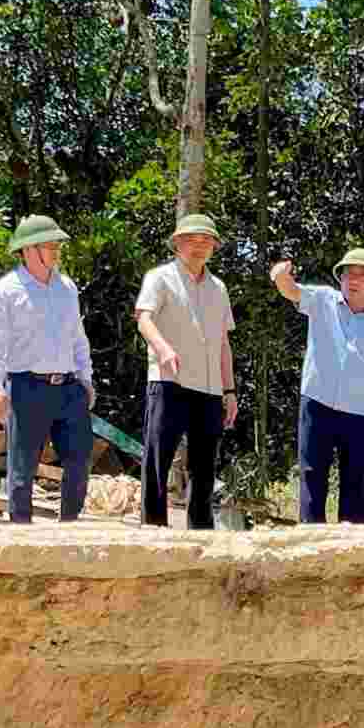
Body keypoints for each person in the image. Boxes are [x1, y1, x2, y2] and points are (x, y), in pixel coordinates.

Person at [273, 249, 364, 525]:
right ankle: (310, 542)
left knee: (355, 481)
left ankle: (353, 547)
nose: (353, 280)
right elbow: (292, 291)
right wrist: (280, 277)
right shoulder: (323, 300)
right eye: (348, 274)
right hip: (317, 402)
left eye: (362, 274)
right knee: (312, 474)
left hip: (357, 410)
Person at [0, 214, 95, 525]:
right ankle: (21, 533)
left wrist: (86, 379)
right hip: (26, 388)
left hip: (69, 388)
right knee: (22, 467)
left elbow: (77, 336)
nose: (57, 251)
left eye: (58, 246)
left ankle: (69, 526)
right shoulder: (6, 291)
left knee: (81, 459)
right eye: (51, 245)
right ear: (29, 249)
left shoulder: (67, 287)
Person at [135, 213, 239, 529]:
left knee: (205, 468)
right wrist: (164, 349)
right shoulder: (160, 277)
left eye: (206, 240)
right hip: (169, 382)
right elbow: (143, 319)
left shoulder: (219, 288)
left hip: (209, 390)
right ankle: (153, 530)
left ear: (214, 247)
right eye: (192, 240)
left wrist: (230, 390)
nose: (199, 246)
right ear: (177, 243)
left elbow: (223, 343)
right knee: (157, 460)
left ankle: (201, 536)